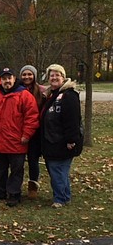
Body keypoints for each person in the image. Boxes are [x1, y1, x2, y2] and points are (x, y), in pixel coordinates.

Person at [0, 67, 39, 207]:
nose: (7, 81)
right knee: (0, 169)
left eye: (9, 78)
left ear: (14, 79)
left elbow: (31, 117)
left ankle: (14, 194)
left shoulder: (24, 96)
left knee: (16, 170)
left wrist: (26, 135)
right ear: (0, 80)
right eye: (4, 78)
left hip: (16, 142)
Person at [41, 64, 82, 208]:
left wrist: (71, 140)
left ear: (63, 77)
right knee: (58, 171)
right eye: (51, 75)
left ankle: (60, 199)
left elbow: (72, 120)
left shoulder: (69, 95)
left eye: (57, 75)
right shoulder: (52, 95)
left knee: (58, 170)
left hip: (63, 142)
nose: (54, 78)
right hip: (51, 141)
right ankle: (65, 196)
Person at [19, 65, 45, 199]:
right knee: (17, 160)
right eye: (24, 74)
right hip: (18, 130)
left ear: (34, 76)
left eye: (30, 74)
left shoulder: (41, 91)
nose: (27, 77)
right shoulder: (17, 89)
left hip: (35, 131)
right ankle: (15, 184)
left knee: (33, 160)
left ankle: (33, 186)